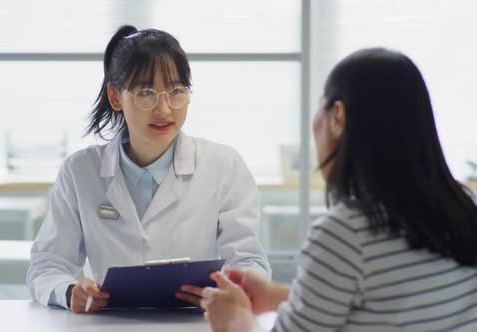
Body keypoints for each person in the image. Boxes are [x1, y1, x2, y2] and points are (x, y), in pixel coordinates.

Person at [195, 48, 477, 331]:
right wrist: (276, 296)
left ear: (338, 116)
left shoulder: (345, 235)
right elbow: (393, 305)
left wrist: (236, 319)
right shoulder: (465, 206)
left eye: (320, 106)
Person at [26, 25, 271, 314]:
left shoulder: (224, 165)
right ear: (116, 97)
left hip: (195, 323)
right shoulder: (80, 171)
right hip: (110, 324)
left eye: (176, 91)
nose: (165, 109)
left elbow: (248, 260)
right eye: (146, 93)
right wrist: (69, 293)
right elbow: (47, 265)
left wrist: (237, 291)